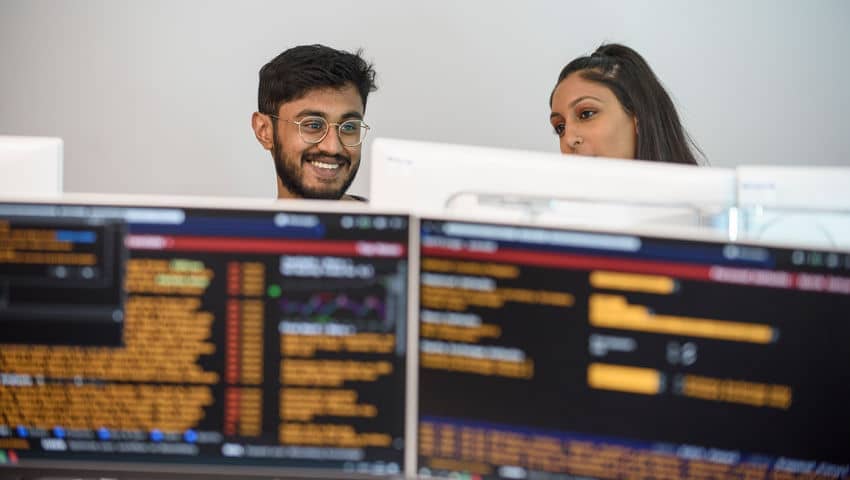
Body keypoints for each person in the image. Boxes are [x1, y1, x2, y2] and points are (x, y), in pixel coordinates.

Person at [252, 44, 377, 200]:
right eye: (313, 125)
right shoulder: (233, 223)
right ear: (264, 131)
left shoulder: (403, 223)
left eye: (349, 127)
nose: (333, 147)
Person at [549, 43, 702, 165]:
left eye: (586, 114)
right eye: (560, 128)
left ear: (639, 117)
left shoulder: (707, 200)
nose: (568, 139)